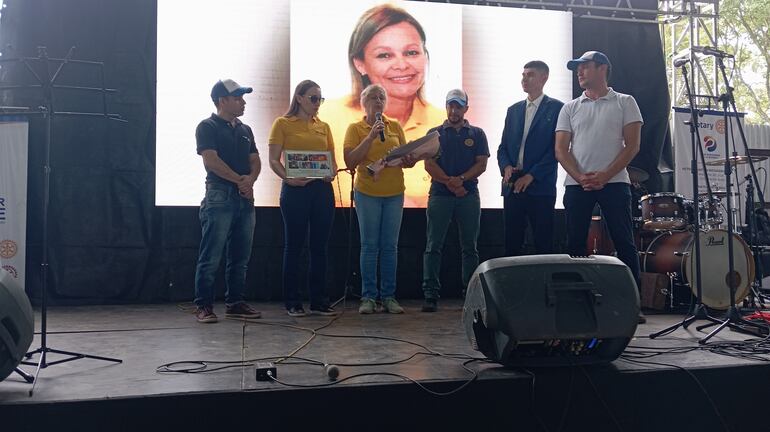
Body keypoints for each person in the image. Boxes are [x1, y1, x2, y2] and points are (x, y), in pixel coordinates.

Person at [321, 3, 445, 208]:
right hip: (364, 197)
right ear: (359, 63)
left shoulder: (440, 120)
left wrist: (410, 160)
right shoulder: (328, 115)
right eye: (385, 55)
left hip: (399, 202)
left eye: (412, 52)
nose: (402, 64)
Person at [554, 51, 645, 323]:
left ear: (603, 68)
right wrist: (581, 177)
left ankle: (632, 304)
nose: (579, 72)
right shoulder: (570, 107)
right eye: (577, 69)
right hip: (576, 184)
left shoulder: (625, 102)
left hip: (615, 183)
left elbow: (633, 146)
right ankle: (577, 303)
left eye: (585, 67)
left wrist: (605, 175)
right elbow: (561, 149)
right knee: (574, 243)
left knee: (624, 243)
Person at [193, 79, 262, 323]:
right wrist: (239, 181)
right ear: (222, 101)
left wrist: (250, 180)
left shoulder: (245, 129)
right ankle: (203, 305)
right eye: (237, 98)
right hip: (219, 194)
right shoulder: (207, 126)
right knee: (211, 254)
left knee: (240, 255)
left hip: (244, 196)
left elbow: (255, 159)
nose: (243, 102)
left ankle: (235, 302)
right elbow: (211, 160)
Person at [344, 84, 416, 314]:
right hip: (367, 194)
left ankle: (389, 297)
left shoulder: (394, 126)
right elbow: (350, 161)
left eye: (381, 97)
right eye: (373, 97)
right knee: (369, 246)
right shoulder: (355, 128)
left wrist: (411, 159)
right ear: (364, 102)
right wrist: (371, 135)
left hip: (394, 192)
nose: (378, 101)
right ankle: (368, 297)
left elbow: (405, 155)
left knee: (390, 247)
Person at [268, 80, 338, 317]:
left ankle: (319, 300)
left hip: (321, 191)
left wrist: (331, 172)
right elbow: (273, 160)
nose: (317, 103)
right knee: (294, 246)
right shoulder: (282, 123)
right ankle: (292, 301)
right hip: (295, 190)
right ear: (299, 98)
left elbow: (332, 159)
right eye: (313, 98)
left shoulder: (324, 126)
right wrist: (287, 178)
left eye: (320, 99)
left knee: (320, 247)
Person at [421, 89, 489, 312]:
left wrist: (460, 180)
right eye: (450, 105)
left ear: (466, 109)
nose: (454, 110)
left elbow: (481, 164)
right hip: (440, 195)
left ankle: (469, 295)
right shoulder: (435, 133)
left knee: (470, 247)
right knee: (433, 246)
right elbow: (429, 164)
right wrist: (451, 183)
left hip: (468, 196)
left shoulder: (477, 134)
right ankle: (430, 294)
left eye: (458, 106)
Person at [497, 61, 563, 256]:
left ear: (544, 78)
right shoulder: (513, 110)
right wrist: (506, 166)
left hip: (540, 185)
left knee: (543, 242)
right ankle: (512, 285)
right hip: (513, 184)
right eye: (523, 74)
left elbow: (556, 150)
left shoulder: (558, 108)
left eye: (531, 75)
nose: (524, 79)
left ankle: (543, 285)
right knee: (512, 242)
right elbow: (503, 147)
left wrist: (532, 175)